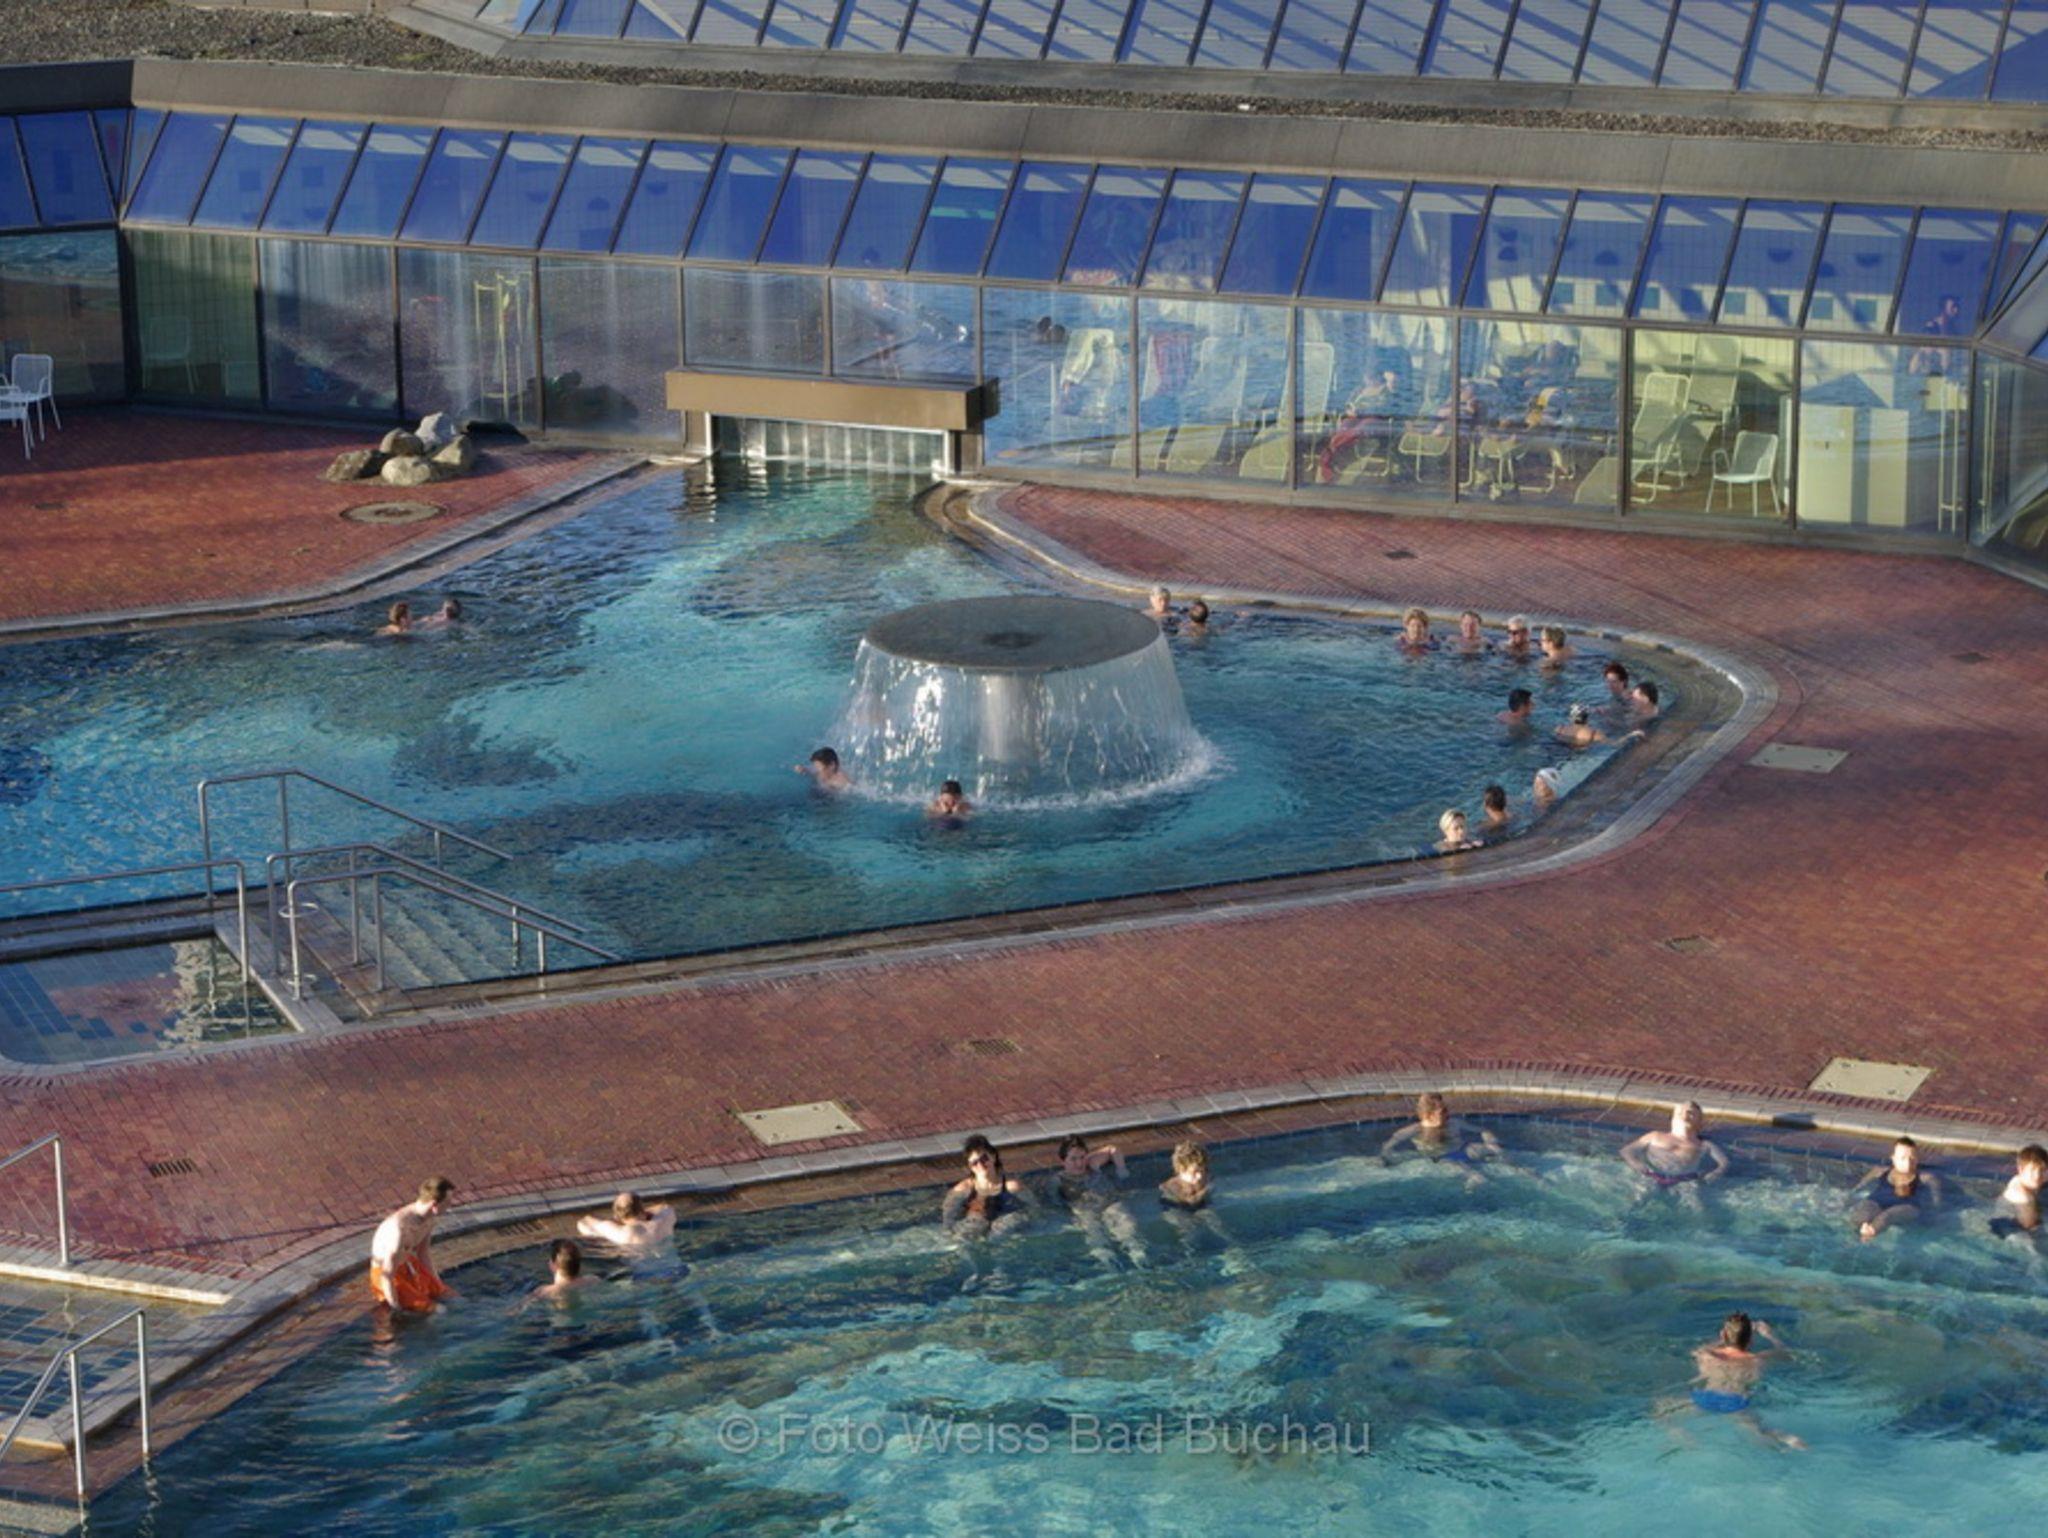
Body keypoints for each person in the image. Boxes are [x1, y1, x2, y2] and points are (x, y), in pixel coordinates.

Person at [1670, 1313, 1805, 1450]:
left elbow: (1698, 1349)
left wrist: (1724, 1338)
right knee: (1759, 1431)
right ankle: (1789, 1441)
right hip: (1735, 1403)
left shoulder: (1708, 1355)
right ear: (1750, 1340)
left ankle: (1685, 1439)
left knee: (1663, 1415)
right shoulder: (1757, 1359)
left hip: (1705, 1398)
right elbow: (1785, 1352)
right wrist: (1769, 1335)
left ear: (1723, 1335)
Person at [1056, 1134, 1147, 1268]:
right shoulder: (1058, 1180)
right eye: (1073, 1159)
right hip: (1085, 1210)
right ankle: (1105, 1258)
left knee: (1124, 1219)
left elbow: (1112, 1149)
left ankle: (1137, 1252)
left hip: (1109, 1204)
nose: (1079, 1163)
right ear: (1062, 1161)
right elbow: (1054, 1203)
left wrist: (1121, 1168)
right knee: (1091, 1226)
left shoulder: (1091, 1165)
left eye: (1082, 1157)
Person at [369, 1176, 455, 1313]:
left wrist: (438, 1285)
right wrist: (396, 1308)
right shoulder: (399, 1230)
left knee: (452, 1297)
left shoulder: (430, 1219)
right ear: (434, 1205)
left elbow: (423, 1254)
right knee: (439, 1311)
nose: (450, 1205)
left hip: (408, 1264)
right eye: (448, 1202)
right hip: (387, 1275)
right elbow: (387, 1276)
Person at [1621, 1102, 1731, 1199]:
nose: (1686, 1115)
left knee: (1696, 1208)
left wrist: (1715, 1173)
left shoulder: (1704, 1145)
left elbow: (1724, 1163)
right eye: (1681, 1112)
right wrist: (1635, 1163)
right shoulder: (1655, 1136)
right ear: (1674, 1118)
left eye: (1691, 1114)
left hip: (1685, 1181)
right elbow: (1627, 1151)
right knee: (1637, 1202)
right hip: (1652, 1176)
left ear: (1699, 1122)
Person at [942, 1136, 1035, 1248]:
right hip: (974, 1224)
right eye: (974, 1163)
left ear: (994, 1157)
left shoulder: (1012, 1186)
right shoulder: (962, 1189)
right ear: (970, 1166)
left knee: (1004, 1226)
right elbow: (948, 1219)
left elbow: (1034, 1209)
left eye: (984, 1159)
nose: (980, 1165)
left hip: (1005, 1224)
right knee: (974, 1225)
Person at [1381, 1093, 1507, 1172]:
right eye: (1442, 1112)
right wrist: (1386, 1158)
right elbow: (1391, 1142)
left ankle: (1512, 1167)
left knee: (1495, 1149)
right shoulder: (1416, 1129)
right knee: (1471, 1173)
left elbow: (1482, 1130)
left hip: (1463, 1150)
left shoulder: (1454, 1122)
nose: (1448, 1114)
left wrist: (1491, 1140)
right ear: (1429, 1115)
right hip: (1441, 1159)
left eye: (1446, 1110)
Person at [1849, 1136, 1942, 1242]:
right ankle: (1855, 1239)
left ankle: (1867, 1236)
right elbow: (1859, 1187)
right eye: (1903, 1158)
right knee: (1862, 1215)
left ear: (1917, 1159)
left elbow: (1936, 1203)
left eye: (1911, 1159)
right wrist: (1848, 1200)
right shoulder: (1880, 1171)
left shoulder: (1926, 1177)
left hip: (1908, 1206)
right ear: (1894, 1158)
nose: (1907, 1163)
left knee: (1887, 1216)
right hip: (1877, 1201)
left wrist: (1930, 1220)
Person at [577, 1192, 678, 1260]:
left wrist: (613, 1222)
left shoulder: (622, 1232)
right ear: (642, 1208)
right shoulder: (663, 1219)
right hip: (677, 1271)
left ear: (618, 1215)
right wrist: (644, 1214)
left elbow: (583, 1222)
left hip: (643, 1278)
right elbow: (664, 1206)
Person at [1991, 1144, 2047, 1239]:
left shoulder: (2019, 1179)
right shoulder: (2023, 1197)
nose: (2037, 1176)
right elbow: (2031, 1228)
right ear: (2021, 1169)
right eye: (2032, 1170)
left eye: (2042, 1170)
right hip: (2012, 1233)